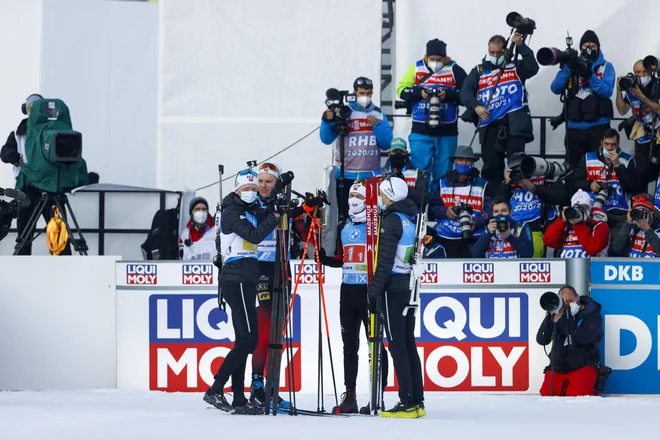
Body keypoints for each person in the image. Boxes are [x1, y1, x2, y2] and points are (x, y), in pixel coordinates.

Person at [203, 168, 281, 415]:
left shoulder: (249, 210)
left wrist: (288, 206)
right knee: (249, 340)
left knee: (243, 340)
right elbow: (255, 235)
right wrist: (275, 216)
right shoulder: (232, 213)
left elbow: (266, 211)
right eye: (245, 189)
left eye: (253, 188)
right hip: (235, 279)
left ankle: (238, 399)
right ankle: (215, 389)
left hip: (246, 278)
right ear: (237, 191)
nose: (250, 192)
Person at [318, 181, 388, 414]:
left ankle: (377, 396)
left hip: (370, 291)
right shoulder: (343, 225)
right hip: (348, 292)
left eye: (358, 195)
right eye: (351, 195)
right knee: (350, 346)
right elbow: (343, 258)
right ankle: (350, 396)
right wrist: (325, 259)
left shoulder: (378, 223)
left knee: (375, 345)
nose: (353, 199)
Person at [367, 176, 424, 418]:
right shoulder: (410, 216)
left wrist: (373, 292)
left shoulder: (392, 220)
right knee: (408, 343)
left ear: (390, 195)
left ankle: (407, 402)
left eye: (382, 194)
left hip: (394, 288)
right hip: (409, 287)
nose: (380, 199)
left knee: (397, 345)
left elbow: (385, 262)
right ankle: (417, 400)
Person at [460, 33, 539, 198]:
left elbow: (533, 67)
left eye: (498, 52)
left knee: (516, 165)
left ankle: (515, 202)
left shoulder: (516, 65)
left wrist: (521, 46)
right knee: (491, 167)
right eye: (492, 52)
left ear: (505, 50)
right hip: (489, 124)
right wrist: (476, 107)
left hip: (515, 124)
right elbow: (465, 92)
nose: (495, 56)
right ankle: (494, 205)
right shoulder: (478, 70)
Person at [397, 38, 467, 195]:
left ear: (445, 57)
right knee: (419, 171)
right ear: (426, 56)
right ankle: (419, 206)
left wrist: (448, 94)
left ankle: (438, 207)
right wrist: (419, 92)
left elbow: (468, 94)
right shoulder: (416, 68)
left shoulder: (454, 69)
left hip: (446, 132)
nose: (435, 62)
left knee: (443, 172)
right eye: (432, 59)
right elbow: (401, 90)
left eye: (439, 59)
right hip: (421, 131)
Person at [0, 94, 68, 255]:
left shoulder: (55, 131)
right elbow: (4, 152)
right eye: (32, 108)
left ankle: (65, 266)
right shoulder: (19, 134)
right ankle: (22, 268)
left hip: (51, 187)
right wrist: (14, 157)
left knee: (58, 232)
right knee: (24, 234)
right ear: (27, 111)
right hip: (27, 190)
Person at [320, 77, 393, 221]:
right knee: (345, 216)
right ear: (354, 92)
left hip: (371, 176)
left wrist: (377, 125)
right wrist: (326, 121)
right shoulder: (344, 112)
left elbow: (386, 144)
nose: (365, 96)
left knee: (371, 216)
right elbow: (326, 138)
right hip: (346, 175)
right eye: (361, 93)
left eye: (368, 93)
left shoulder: (378, 114)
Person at [550, 30, 615, 169]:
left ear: (598, 47)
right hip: (574, 127)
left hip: (598, 127)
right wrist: (568, 68)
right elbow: (555, 88)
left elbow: (607, 92)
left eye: (593, 47)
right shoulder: (572, 64)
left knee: (600, 167)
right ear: (580, 48)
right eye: (586, 46)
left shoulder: (606, 66)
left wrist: (590, 76)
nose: (589, 50)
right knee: (572, 168)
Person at [497, 153, 569, 257]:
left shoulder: (543, 176)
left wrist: (533, 187)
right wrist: (506, 184)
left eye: (522, 169)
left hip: (537, 227)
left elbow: (561, 196)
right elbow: (499, 202)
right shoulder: (510, 181)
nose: (520, 173)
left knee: (532, 262)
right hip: (514, 228)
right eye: (515, 170)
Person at [536, 285, 603, 397]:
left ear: (577, 298)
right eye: (563, 301)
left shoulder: (591, 315)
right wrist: (550, 318)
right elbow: (542, 340)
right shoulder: (556, 314)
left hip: (583, 365)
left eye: (569, 300)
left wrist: (563, 320)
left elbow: (584, 338)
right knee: (547, 395)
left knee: (578, 396)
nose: (566, 304)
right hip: (558, 366)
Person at [570, 129, 637, 240]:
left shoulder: (627, 160)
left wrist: (617, 166)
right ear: (601, 143)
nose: (609, 148)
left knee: (616, 249)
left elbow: (631, 187)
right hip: (593, 211)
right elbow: (574, 183)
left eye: (613, 145)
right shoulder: (588, 158)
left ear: (618, 144)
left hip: (620, 213)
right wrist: (589, 184)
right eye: (606, 144)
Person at [428, 145, 491, 258]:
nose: (464, 163)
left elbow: (491, 210)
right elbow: (432, 209)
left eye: (467, 160)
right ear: (455, 161)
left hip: (474, 236)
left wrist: (476, 221)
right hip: (447, 237)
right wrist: (445, 212)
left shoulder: (483, 184)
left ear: (472, 162)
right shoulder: (442, 182)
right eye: (461, 160)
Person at [615, 60, 660, 179]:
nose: (642, 75)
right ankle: (641, 196)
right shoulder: (631, 88)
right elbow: (622, 110)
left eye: (645, 72)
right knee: (641, 172)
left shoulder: (657, 84)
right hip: (642, 134)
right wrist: (619, 91)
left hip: (658, 132)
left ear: (651, 72)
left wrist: (642, 97)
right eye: (638, 72)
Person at [543, 189, 610, 258]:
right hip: (566, 267)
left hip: (591, 267)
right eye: (577, 208)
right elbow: (548, 241)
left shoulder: (599, 225)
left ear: (590, 208)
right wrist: (562, 220)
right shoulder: (568, 226)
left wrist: (579, 225)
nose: (581, 212)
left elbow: (593, 249)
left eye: (584, 208)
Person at [377, 137, 429, 209]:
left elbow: (424, 200)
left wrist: (403, 187)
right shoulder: (380, 173)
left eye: (401, 152)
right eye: (395, 151)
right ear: (389, 153)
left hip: (409, 215)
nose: (398, 154)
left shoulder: (418, 174)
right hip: (384, 214)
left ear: (406, 153)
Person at [611, 193, 660, 257]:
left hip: (653, 267)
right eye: (636, 211)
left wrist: (647, 230)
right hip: (632, 266)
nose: (639, 214)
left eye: (642, 211)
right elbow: (615, 249)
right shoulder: (629, 228)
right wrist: (627, 224)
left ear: (651, 212)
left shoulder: (658, 230)